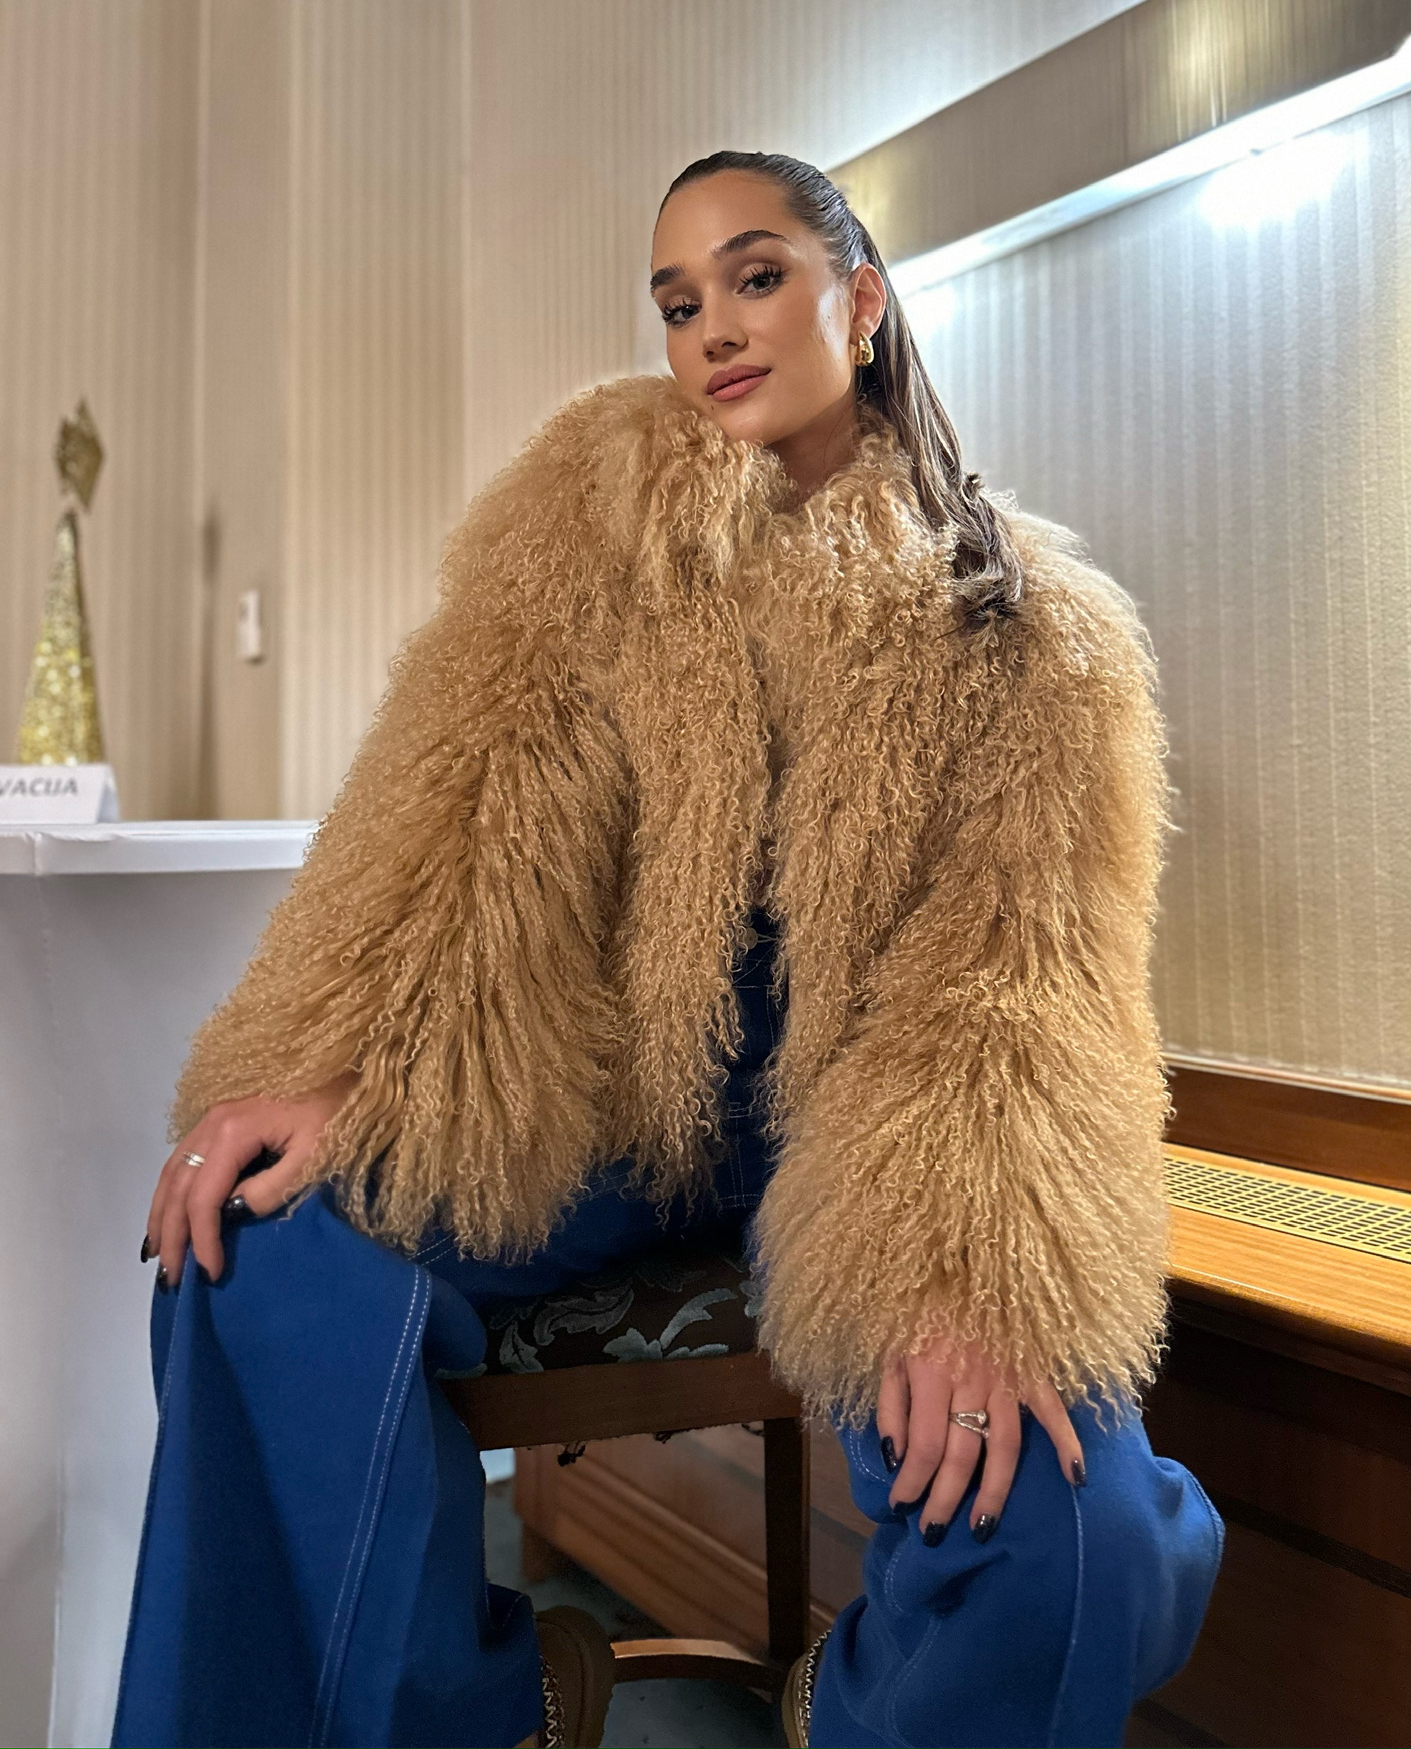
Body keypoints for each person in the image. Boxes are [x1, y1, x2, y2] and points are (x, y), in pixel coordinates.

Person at [118, 150, 1223, 1749]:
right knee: (251, 1243)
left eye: (757, 277)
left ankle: (862, 1710)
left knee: (1070, 1516)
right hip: (608, 1112)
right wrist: (332, 1060)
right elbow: (447, 818)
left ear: (860, 299)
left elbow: (1025, 985)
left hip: (877, 1137)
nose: (713, 326)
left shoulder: (1035, 626)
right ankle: (470, 1712)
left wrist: (971, 1258)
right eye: (678, 300)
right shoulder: (588, 529)